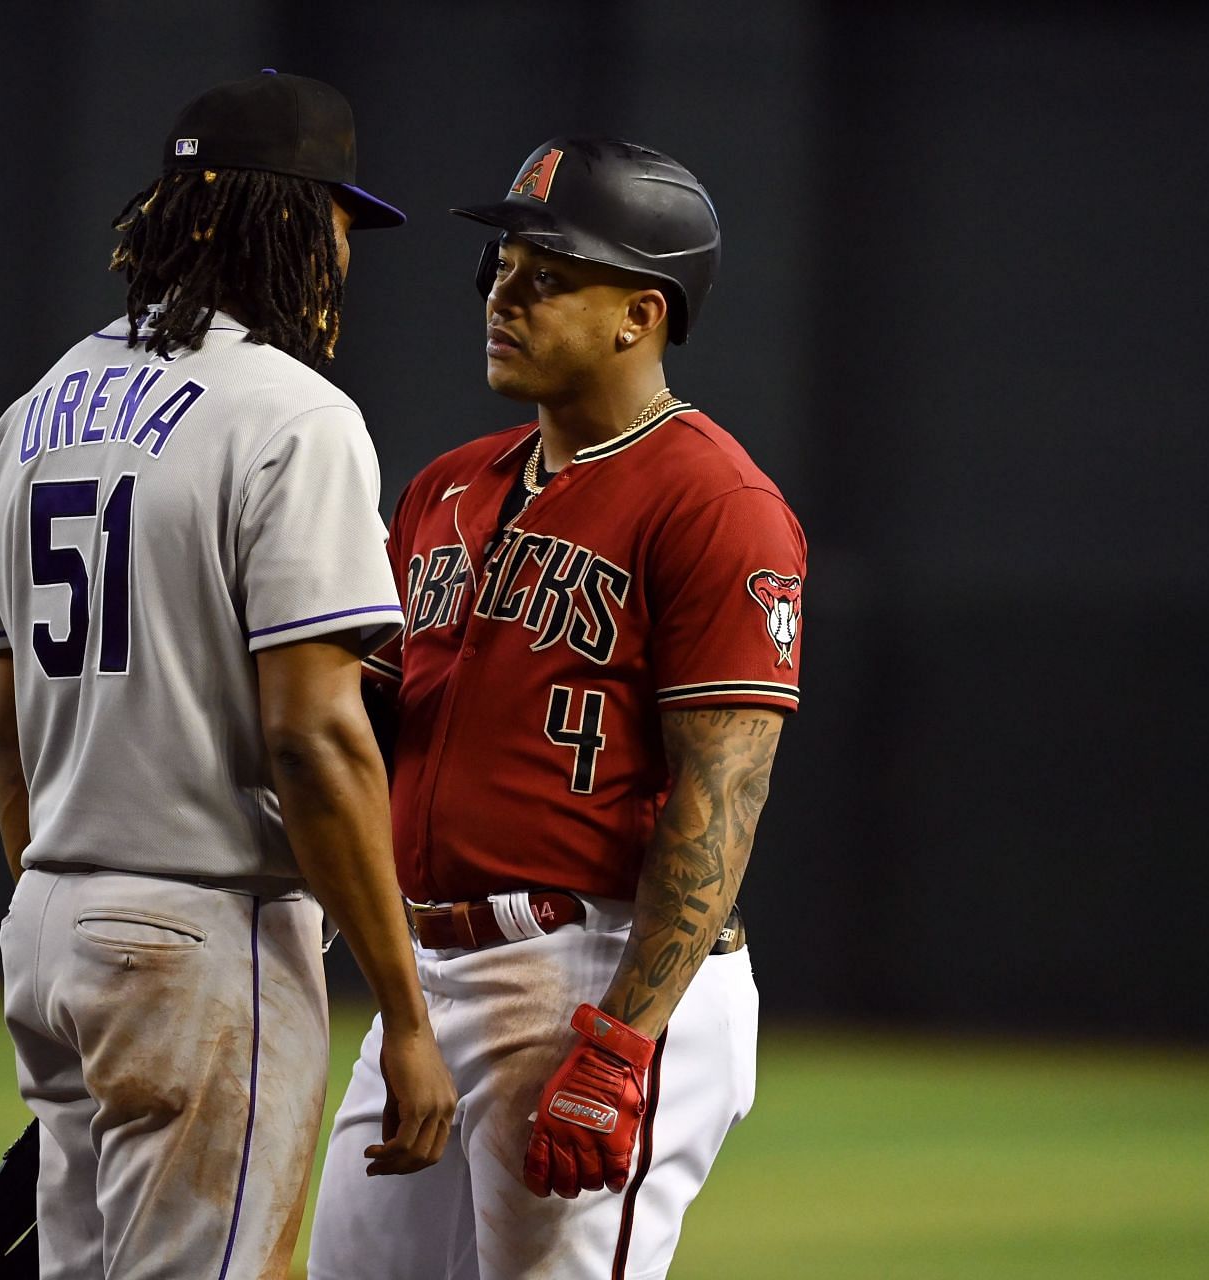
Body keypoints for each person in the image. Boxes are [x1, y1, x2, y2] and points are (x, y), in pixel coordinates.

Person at [0, 70, 455, 1280]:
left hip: (54, 924)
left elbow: (1, 721)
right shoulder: (292, 415)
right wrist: (404, 1006)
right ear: (280, 218)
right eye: (336, 215)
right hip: (202, 930)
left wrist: (64, 915)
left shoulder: (31, 415)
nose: (345, 247)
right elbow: (314, 736)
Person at [308, 137, 805, 1279]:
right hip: (425, 971)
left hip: (596, 965)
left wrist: (625, 1042)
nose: (502, 293)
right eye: (499, 265)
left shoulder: (716, 502)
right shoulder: (446, 485)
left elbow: (723, 789)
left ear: (641, 313)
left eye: (546, 273)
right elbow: (358, 735)